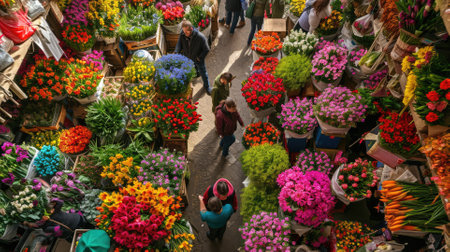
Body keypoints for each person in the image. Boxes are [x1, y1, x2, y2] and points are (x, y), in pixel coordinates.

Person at [23, 199, 94, 242]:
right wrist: (51, 206)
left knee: (87, 238)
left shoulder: (46, 227)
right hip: (77, 220)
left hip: (73, 229)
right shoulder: (53, 214)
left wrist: (50, 207)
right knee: (92, 230)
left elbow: (57, 229)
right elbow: (60, 202)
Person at [175, 20, 212, 94]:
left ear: (191, 29)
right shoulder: (183, 34)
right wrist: (176, 51)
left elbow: (206, 49)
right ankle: (197, 73)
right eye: (183, 31)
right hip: (187, 57)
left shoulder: (200, 37)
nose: (184, 33)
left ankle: (207, 86)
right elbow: (179, 43)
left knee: (203, 72)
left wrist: (199, 57)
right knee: (193, 67)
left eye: (186, 32)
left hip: (197, 59)